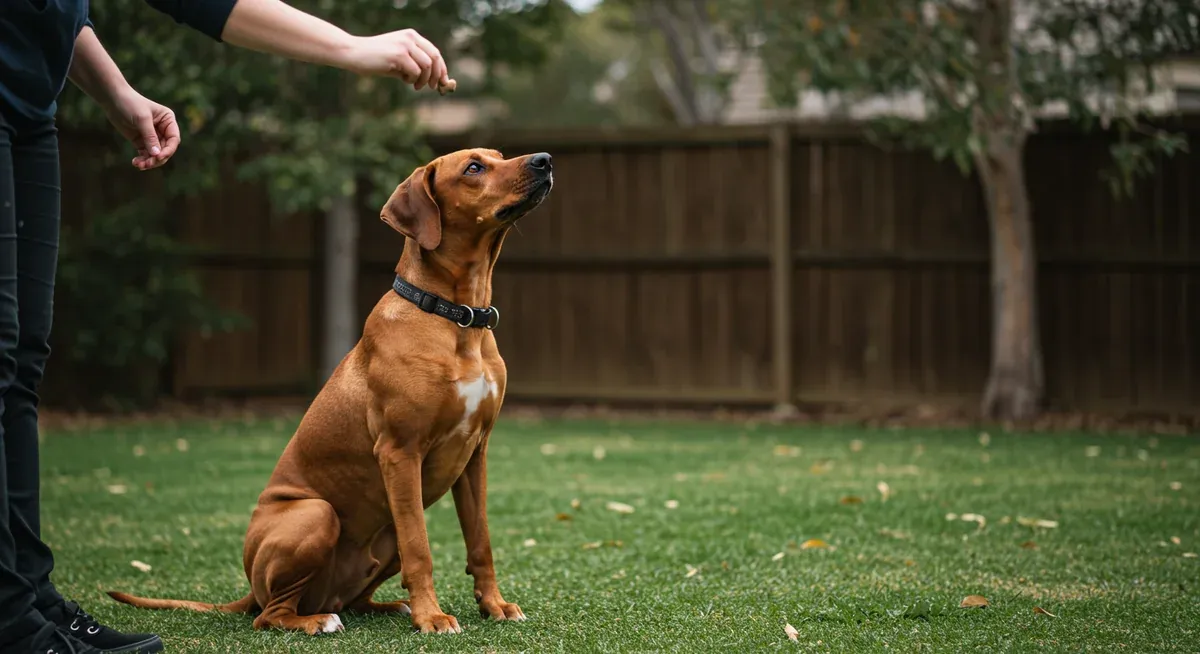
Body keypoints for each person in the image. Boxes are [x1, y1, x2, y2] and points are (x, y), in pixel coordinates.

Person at [0, 1, 451, 652]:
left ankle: (24, 596)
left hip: (28, 109)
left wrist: (116, 90)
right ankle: (12, 620)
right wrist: (351, 48)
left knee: (20, 362)